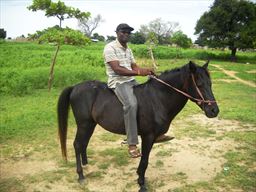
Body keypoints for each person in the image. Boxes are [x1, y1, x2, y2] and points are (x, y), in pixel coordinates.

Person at [103, 23, 173, 158]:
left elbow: (134, 66)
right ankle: (132, 144)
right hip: (118, 82)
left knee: (147, 100)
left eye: (128, 33)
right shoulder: (110, 47)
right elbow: (117, 69)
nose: (126, 34)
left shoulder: (128, 49)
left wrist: (146, 71)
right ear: (117, 32)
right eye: (123, 32)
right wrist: (140, 73)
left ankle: (156, 134)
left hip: (130, 81)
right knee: (131, 104)